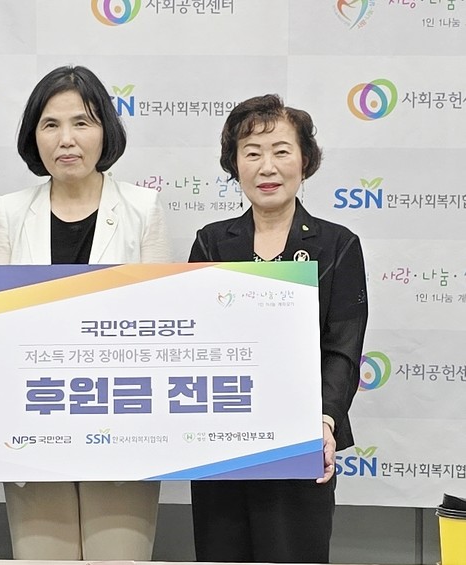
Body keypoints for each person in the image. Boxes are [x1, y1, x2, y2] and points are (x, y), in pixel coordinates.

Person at [0, 65, 171, 560]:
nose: (66, 139)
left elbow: (163, 328)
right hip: (31, 423)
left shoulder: (143, 209)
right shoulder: (9, 212)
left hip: (123, 426)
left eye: (82, 122)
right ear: (34, 135)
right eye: (51, 124)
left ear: (105, 130)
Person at [188, 94, 368, 563]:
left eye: (281, 151)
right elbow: (194, 342)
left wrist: (324, 420)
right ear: (234, 165)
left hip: (300, 440)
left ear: (304, 160)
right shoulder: (211, 242)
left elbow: (343, 348)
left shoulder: (338, 245)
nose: (267, 166)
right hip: (221, 441)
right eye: (252, 153)